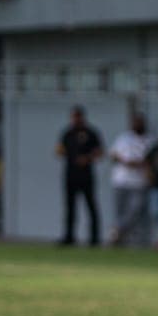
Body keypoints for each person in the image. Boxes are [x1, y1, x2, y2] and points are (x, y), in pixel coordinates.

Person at [56, 106, 103, 247]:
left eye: (77, 116)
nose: (75, 119)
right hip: (70, 175)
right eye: (73, 117)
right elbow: (59, 150)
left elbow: (99, 152)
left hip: (86, 176)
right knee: (70, 207)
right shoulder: (67, 133)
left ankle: (94, 238)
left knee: (91, 206)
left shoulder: (91, 133)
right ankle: (69, 236)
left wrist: (87, 159)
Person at [108, 113, 151, 247]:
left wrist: (138, 164)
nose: (137, 125)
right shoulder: (124, 138)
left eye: (139, 122)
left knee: (135, 210)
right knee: (119, 211)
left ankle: (117, 232)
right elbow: (113, 154)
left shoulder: (150, 140)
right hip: (120, 180)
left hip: (139, 181)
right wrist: (125, 161)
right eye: (135, 122)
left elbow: (151, 160)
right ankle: (121, 239)